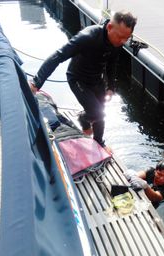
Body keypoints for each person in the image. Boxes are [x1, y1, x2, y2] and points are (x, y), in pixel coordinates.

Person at [29, 11, 137, 151]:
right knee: (97, 112)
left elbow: (112, 64)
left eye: (126, 38)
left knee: (101, 113)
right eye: (121, 37)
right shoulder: (88, 37)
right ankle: (83, 118)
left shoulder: (117, 41)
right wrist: (36, 82)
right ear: (109, 27)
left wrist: (111, 87)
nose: (123, 42)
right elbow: (58, 56)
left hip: (97, 79)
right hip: (78, 79)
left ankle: (99, 142)